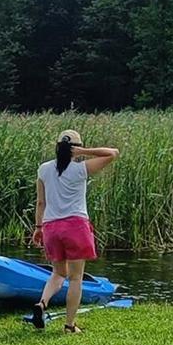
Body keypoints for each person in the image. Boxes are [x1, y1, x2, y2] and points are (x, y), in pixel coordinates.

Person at [32, 129, 119, 334]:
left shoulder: (43, 169)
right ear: (75, 149)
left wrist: (38, 228)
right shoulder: (80, 169)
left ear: (57, 147)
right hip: (75, 227)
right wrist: (84, 151)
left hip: (51, 227)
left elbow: (40, 202)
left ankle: (42, 303)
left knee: (57, 273)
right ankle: (69, 325)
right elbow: (113, 153)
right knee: (75, 278)